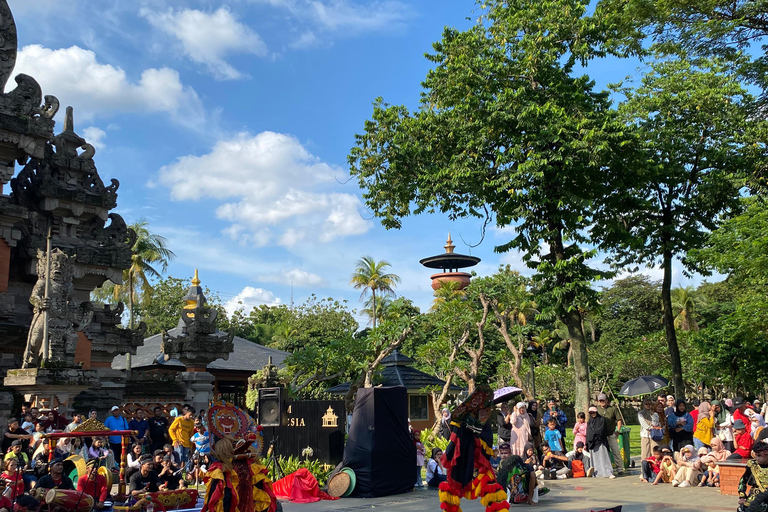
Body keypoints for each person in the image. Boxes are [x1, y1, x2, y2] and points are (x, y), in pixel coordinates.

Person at [596, 393, 623, 473]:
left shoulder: (613, 409)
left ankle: (620, 468)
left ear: (607, 400)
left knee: (616, 451)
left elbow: (619, 419)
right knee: (604, 453)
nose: (602, 402)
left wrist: (618, 430)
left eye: (603, 400)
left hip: (611, 434)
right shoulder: (596, 409)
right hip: (601, 435)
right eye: (600, 401)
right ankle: (605, 469)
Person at [738, 441, 768, 511]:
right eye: (756, 455)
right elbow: (743, 480)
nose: (757, 458)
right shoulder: (753, 465)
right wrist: (742, 496)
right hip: (755, 496)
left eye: (759, 455)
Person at [586, 405, 614, 479]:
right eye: (591, 413)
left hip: (600, 441)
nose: (593, 414)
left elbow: (601, 430)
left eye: (594, 412)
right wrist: (591, 438)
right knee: (595, 459)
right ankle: (597, 473)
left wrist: (595, 435)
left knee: (604, 457)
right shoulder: (590, 421)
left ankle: (608, 472)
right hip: (593, 443)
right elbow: (589, 431)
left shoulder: (602, 420)